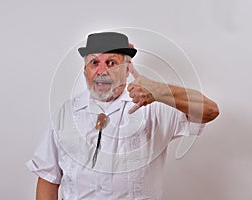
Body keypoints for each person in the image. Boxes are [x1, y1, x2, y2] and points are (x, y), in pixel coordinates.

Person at [26, 32, 219, 200]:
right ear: (85, 70)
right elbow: (48, 178)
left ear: (127, 69)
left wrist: (160, 91)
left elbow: (210, 111)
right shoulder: (65, 113)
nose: (101, 71)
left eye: (111, 63)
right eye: (94, 63)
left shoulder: (153, 106)